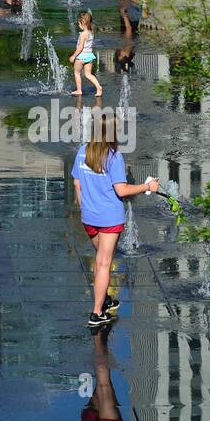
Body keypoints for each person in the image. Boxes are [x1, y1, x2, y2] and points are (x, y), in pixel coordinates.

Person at [72, 123, 159, 329]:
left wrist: (83, 205)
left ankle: (105, 300)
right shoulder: (113, 156)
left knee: (101, 260)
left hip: (89, 217)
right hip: (109, 218)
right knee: (103, 263)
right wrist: (148, 186)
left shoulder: (82, 151)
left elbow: (77, 183)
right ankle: (96, 313)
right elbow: (121, 190)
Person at [70, 9, 102, 97]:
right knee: (88, 74)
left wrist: (73, 56)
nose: (79, 25)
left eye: (79, 23)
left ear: (83, 24)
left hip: (81, 57)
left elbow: (80, 48)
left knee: (77, 73)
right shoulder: (91, 33)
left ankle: (79, 90)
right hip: (89, 56)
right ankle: (98, 87)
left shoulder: (82, 34)